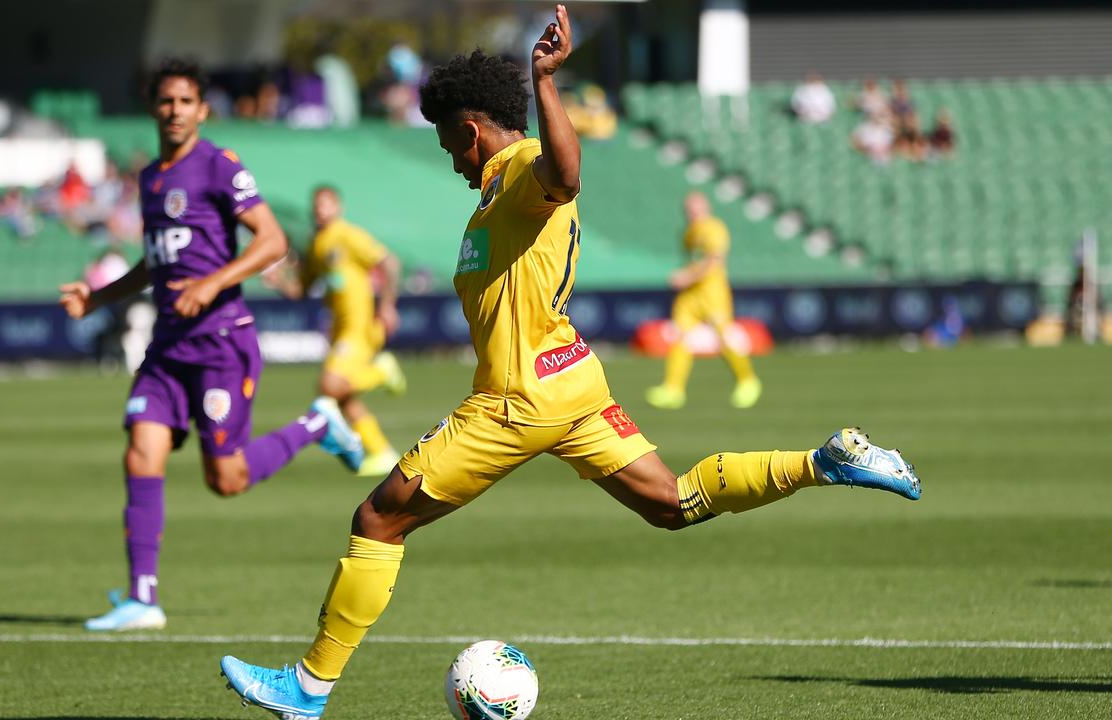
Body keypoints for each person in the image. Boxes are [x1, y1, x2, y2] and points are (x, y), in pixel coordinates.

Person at [217, 7, 921, 718]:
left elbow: (565, 172)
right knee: (672, 504)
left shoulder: (519, 170)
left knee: (378, 520)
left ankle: (308, 688)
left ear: (470, 130)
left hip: (517, 397)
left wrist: (545, 83)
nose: (453, 163)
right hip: (571, 382)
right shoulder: (497, 192)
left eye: (449, 148)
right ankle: (827, 461)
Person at [58, 58, 364, 633]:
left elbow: (272, 240)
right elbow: (155, 262)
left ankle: (317, 424)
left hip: (221, 343)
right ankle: (142, 597)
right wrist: (96, 299)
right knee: (139, 454)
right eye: (165, 101)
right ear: (154, 108)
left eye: (185, 101)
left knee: (226, 480)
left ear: (202, 109)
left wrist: (214, 281)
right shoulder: (150, 178)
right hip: (168, 347)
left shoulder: (218, 166)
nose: (174, 110)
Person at [269, 185, 407, 477]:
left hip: (359, 328)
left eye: (327, 204)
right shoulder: (317, 244)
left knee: (328, 387)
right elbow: (302, 291)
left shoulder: (347, 234)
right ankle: (382, 452)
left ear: (338, 207)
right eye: (317, 205)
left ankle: (383, 372)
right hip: (341, 330)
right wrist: (278, 281)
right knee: (342, 397)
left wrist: (387, 306)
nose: (321, 209)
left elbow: (390, 263)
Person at [646, 192, 762, 410]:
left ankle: (748, 380)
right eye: (688, 210)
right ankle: (673, 389)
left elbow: (714, 261)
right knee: (679, 336)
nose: (691, 214)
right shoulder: (688, 233)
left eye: (695, 209)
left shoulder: (714, 228)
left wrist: (686, 276)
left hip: (712, 292)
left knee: (723, 338)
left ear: (706, 208)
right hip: (691, 295)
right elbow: (694, 260)